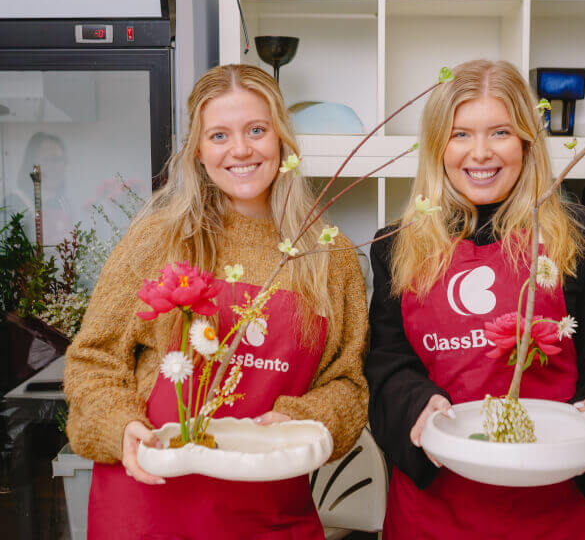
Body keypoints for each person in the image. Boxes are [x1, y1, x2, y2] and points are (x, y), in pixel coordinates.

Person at [64, 64, 368, 539]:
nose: (241, 149)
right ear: (199, 152)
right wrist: (119, 424)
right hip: (150, 504)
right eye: (219, 135)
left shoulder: (330, 255)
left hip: (267, 510)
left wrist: (303, 418)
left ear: (282, 140)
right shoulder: (159, 240)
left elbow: (347, 383)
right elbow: (93, 359)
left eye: (256, 130)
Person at [366, 60, 585, 539]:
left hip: (560, 506)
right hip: (439, 511)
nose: (480, 153)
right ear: (437, 146)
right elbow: (388, 365)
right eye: (460, 135)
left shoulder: (582, 235)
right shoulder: (396, 245)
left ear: (525, 143)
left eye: (499, 132)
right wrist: (417, 406)